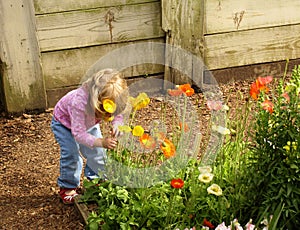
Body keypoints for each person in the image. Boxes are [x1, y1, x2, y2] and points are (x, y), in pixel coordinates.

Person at [51, 68, 128, 204]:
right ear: (96, 101)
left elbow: (118, 114)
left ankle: (94, 181)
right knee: (72, 153)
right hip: (64, 124)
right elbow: (78, 134)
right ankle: (68, 186)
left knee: (98, 153)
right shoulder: (79, 103)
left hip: (88, 122)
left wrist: (117, 125)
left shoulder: (109, 99)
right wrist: (101, 142)